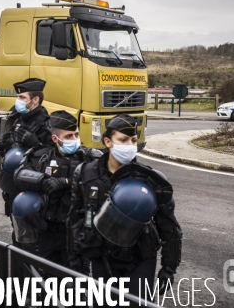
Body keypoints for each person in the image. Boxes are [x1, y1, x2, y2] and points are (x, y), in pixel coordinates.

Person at [67, 114, 182, 305]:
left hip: (139, 258)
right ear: (107, 141)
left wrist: (169, 267)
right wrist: (75, 263)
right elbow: (74, 218)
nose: (130, 145)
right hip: (101, 255)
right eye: (123, 140)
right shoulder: (86, 173)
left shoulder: (151, 179)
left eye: (133, 140)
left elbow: (169, 225)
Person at [14, 110, 101, 267]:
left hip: (76, 232)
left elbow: (102, 183)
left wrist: (66, 182)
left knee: (75, 283)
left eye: (76, 135)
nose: (74, 139)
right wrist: (41, 180)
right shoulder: (43, 157)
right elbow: (19, 175)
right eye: (68, 136)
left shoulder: (90, 158)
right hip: (48, 231)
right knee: (46, 280)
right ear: (55, 138)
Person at [0, 78, 52, 242]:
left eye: (22, 98)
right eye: (18, 97)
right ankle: (18, 267)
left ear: (35, 100)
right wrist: (4, 145)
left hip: (33, 189)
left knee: (33, 240)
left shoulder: (46, 124)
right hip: (13, 186)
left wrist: (35, 143)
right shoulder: (19, 120)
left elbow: (54, 157)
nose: (18, 101)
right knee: (18, 235)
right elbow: (7, 152)